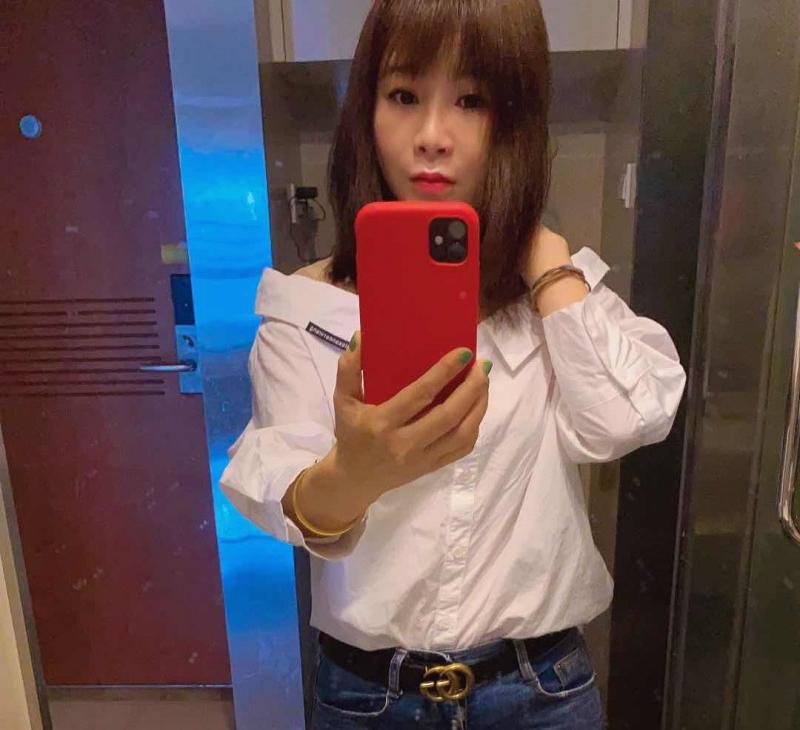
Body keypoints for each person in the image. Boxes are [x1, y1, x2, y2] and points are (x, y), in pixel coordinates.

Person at [219, 1, 687, 727]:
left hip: (542, 692)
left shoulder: (557, 296)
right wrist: (357, 473)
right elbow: (282, 494)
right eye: (404, 94)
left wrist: (546, 262)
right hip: (368, 698)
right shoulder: (306, 309)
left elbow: (624, 423)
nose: (432, 136)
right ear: (367, 111)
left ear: (514, 123)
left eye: (471, 100)